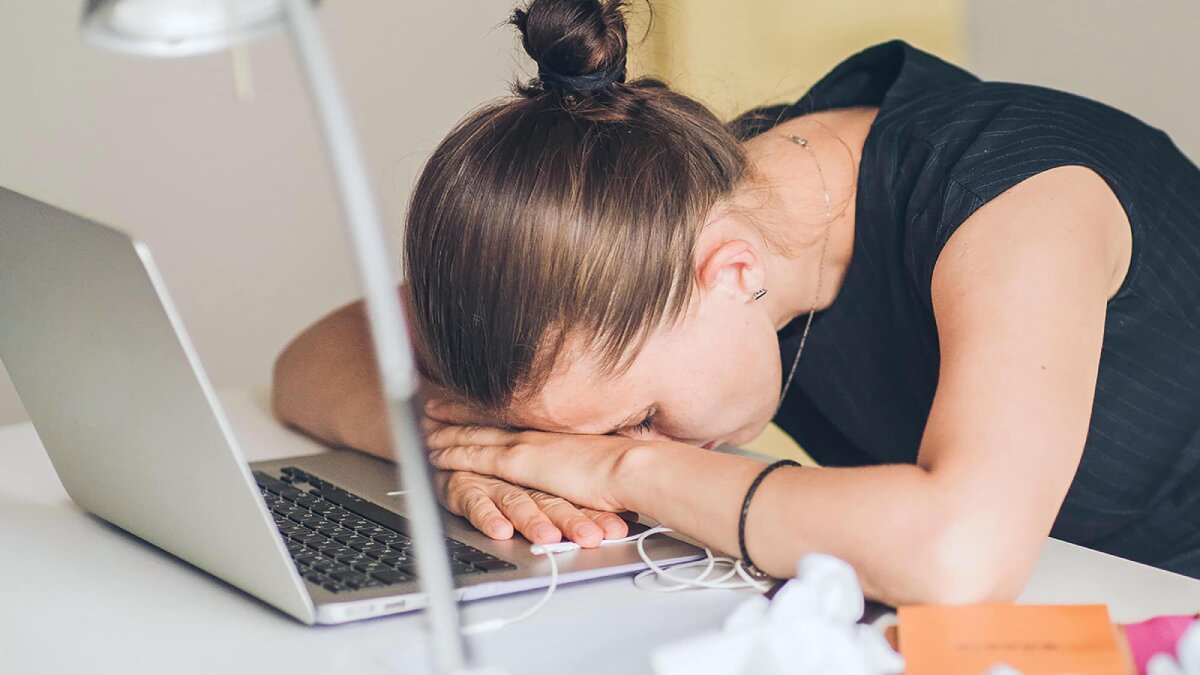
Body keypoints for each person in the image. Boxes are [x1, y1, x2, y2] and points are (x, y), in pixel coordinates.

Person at [272, 0, 1200, 606]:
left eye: (641, 416)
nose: (617, 445)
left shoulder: (1022, 205)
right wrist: (469, 458)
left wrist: (625, 472)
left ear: (727, 269)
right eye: (606, 435)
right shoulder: (651, 215)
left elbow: (960, 555)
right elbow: (313, 358)